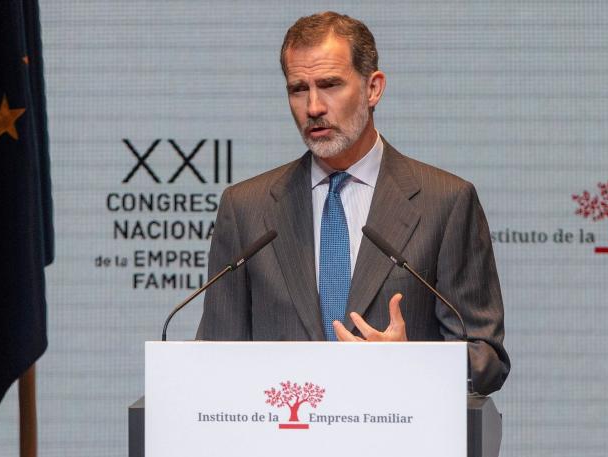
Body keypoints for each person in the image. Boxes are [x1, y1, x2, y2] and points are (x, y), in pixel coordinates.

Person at [197, 12, 510, 395]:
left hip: (399, 443)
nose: (313, 107)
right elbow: (213, 358)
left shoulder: (445, 202)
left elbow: (487, 360)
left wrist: (414, 362)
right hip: (282, 444)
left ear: (373, 88)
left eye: (330, 85)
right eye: (298, 89)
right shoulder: (246, 208)